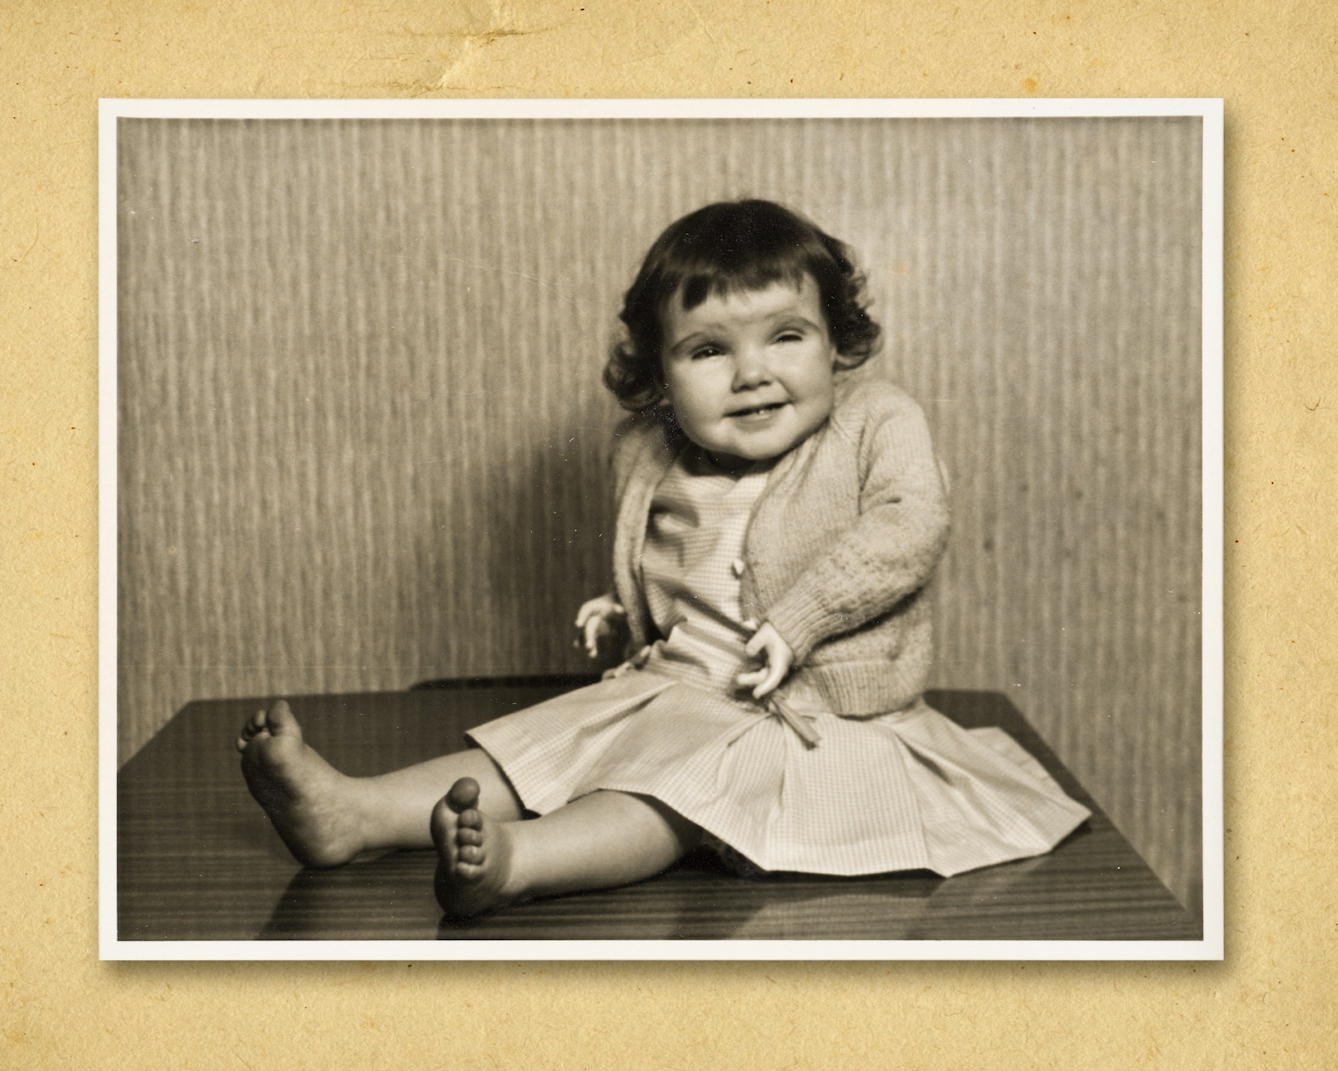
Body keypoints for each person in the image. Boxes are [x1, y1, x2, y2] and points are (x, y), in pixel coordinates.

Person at [237, 199, 1091, 919]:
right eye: (709, 349)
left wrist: (799, 620)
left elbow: (910, 527)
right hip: (676, 684)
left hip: (806, 720)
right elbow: (670, 558)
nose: (751, 373)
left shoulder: (877, 424)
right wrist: (623, 604)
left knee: (670, 795)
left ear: (837, 343)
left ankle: (518, 861)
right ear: (660, 373)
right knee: (536, 747)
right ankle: (351, 811)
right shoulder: (648, 449)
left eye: (785, 336)